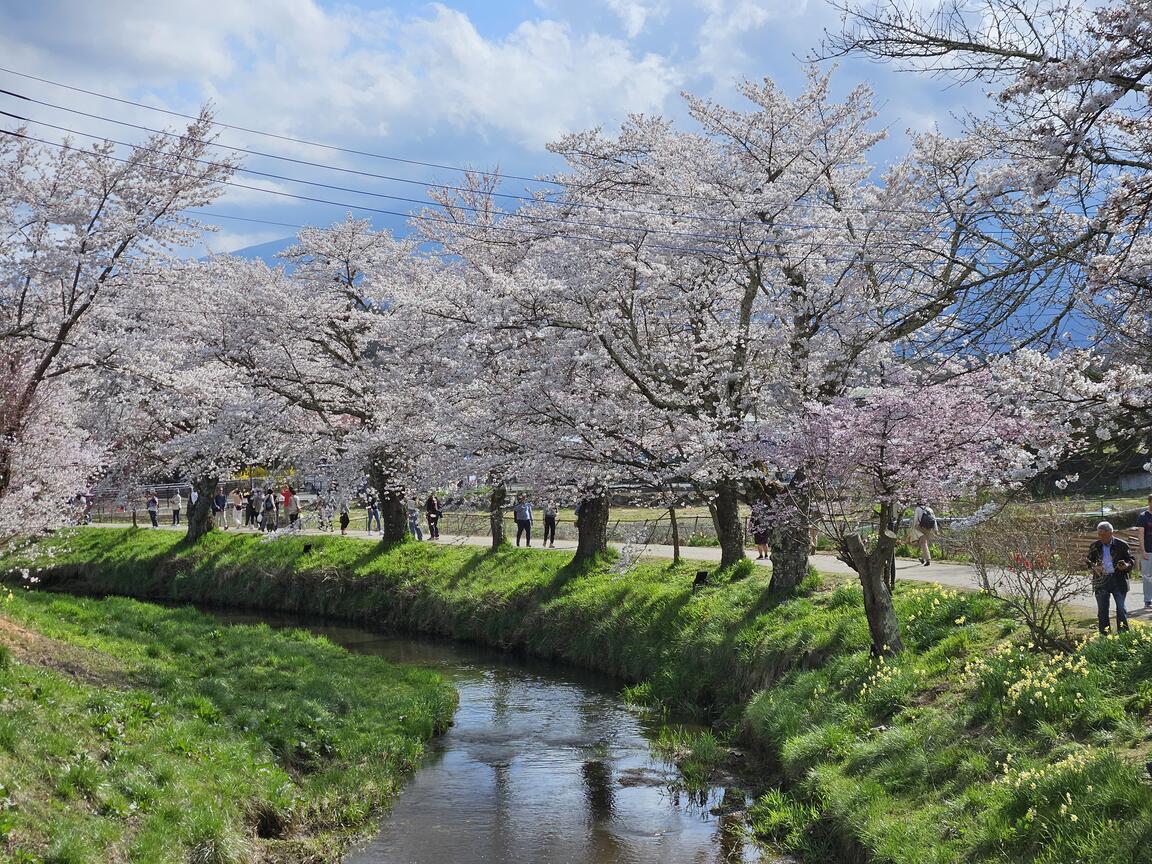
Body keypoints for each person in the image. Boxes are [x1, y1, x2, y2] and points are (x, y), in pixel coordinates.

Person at [1087, 520, 1135, 635]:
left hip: (1118, 580)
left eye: (1103, 534)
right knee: (1102, 611)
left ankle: (1123, 635)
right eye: (1099, 534)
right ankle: (1105, 637)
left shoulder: (1122, 545)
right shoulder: (1095, 546)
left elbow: (1131, 560)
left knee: (1121, 609)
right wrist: (1094, 567)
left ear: (1111, 533)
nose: (1101, 537)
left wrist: (1126, 566)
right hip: (1101, 580)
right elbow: (1088, 561)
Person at [1138, 494, 1152, 609]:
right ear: (1149, 502)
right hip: (1148, 550)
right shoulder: (1143, 517)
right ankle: (1148, 599)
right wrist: (1143, 551)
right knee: (1147, 576)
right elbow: (1141, 534)